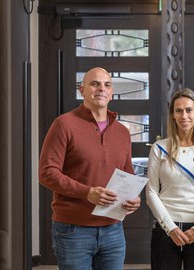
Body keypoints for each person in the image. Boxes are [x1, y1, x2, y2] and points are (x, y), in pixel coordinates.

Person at [39, 67, 141, 270]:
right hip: (73, 231)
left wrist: (133, 198)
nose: (101, 88)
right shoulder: (63, 124)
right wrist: (87, 193)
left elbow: (127, 172)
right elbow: (47, 173)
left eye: (107, 84)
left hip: (113, 229)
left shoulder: (122, 132)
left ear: (111, 93)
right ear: (82, 90)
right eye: (94, 84)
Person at [146, 88, 194, 270]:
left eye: (189, 110)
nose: (184, 116)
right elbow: (151, 192)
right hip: (165, 230)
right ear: (172, 115)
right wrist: (170, 228)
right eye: (178, 110)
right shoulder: (159, 148)